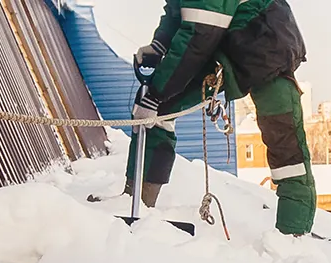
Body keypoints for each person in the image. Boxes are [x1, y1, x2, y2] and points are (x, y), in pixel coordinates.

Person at [126, 0, 316, 236]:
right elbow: (179, 9)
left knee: (286, 149)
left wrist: (156, 93)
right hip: (225, 46)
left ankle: (294, 234)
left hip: (266, 49)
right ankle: (136, 204)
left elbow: (200, 34)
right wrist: (158, 45)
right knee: (160, 110)